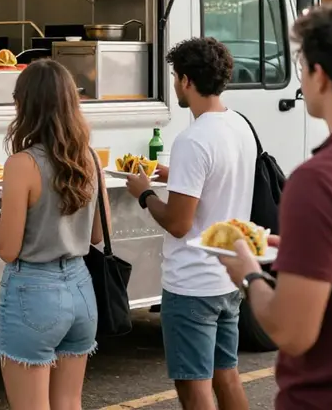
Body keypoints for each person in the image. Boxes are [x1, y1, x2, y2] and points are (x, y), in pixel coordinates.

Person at [220, 0, 332, 410]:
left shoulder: (320, 180)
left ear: (320, 76)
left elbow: (293, 332)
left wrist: (249, 274)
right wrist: (294, 245)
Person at [0, 59, 110, 410]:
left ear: (26, 105)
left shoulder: (22, 164)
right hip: (81, 289)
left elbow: (8, 248)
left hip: (34, 293)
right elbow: (96, 236)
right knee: (68, 403)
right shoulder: (90, 158)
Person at [126, 37, 256, 410]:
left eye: (173, 76)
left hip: (191, 283)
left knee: (194, 388)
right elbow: (217, 180)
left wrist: (145, 192)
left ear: (185, 81)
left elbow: (179, 223)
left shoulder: (193, 139)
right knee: (227, 376)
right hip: (226, 274)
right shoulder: (239, 126)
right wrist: (173, 174)